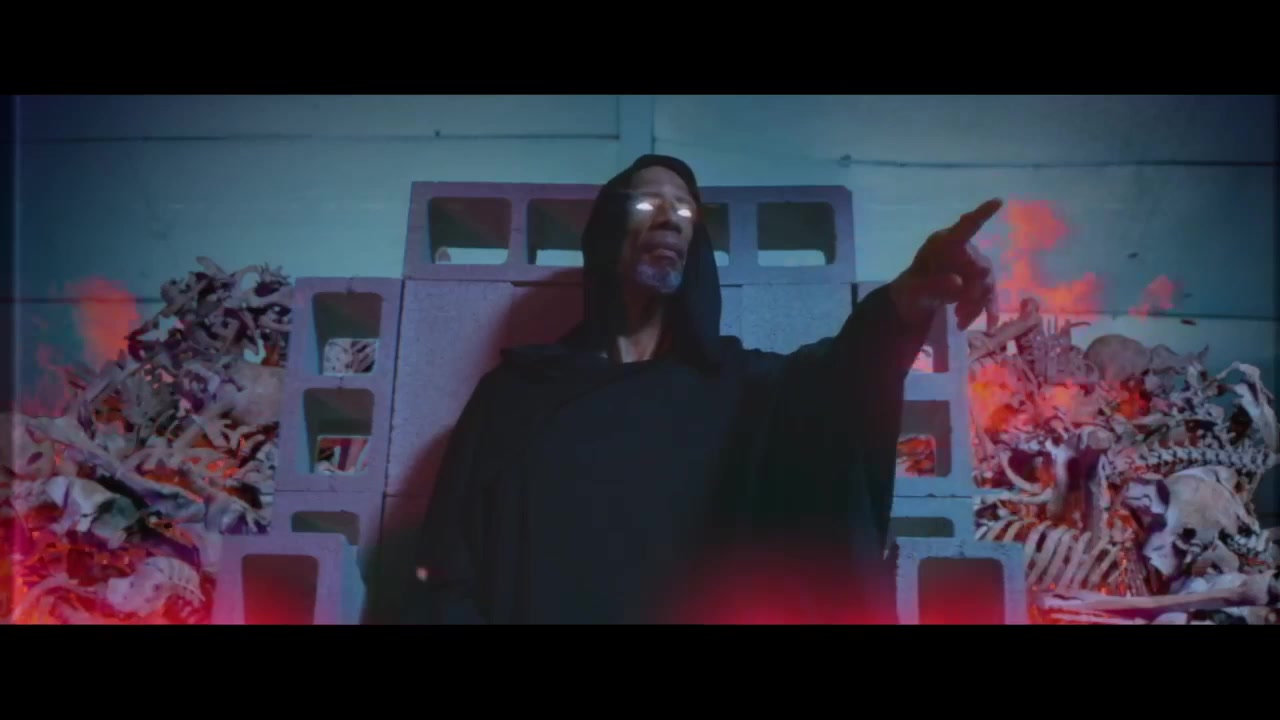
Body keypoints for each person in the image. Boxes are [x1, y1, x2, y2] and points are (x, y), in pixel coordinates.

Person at [407, 154, 1000, 624]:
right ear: (607, 231)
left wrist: (907, 297)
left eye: (685, 209)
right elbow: (445, 573)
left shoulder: (741, 393)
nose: (669, 217)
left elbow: (836, 389)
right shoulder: (517, 397)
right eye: (648, 202)